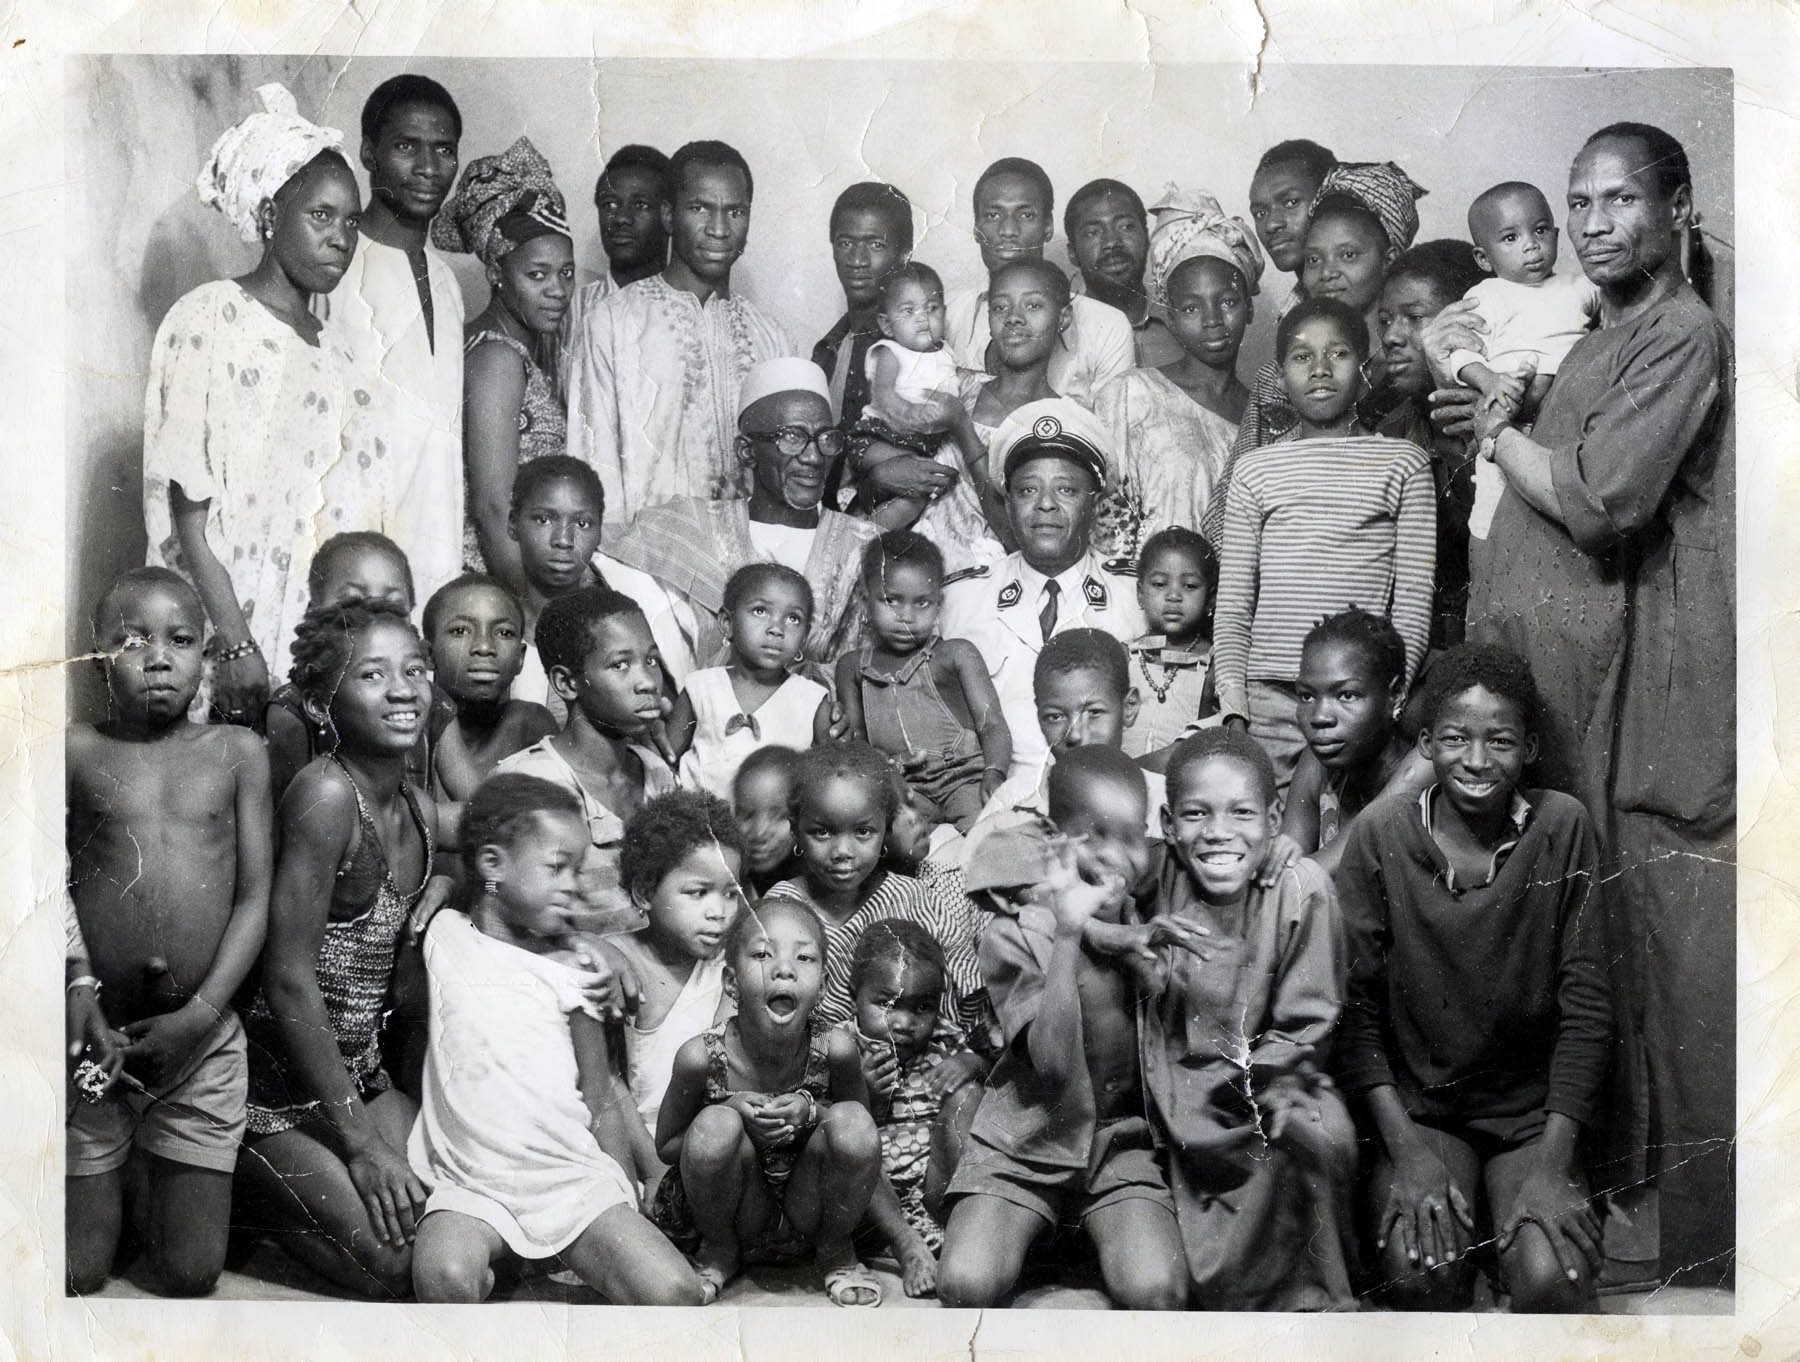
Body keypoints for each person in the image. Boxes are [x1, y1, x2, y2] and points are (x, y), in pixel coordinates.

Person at [1434, 123, 1733, 1281]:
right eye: (1582, 203)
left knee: (1649, 937)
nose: (1599, 223)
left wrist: (1501, 432)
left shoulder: (1683, 333)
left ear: (1676, 206)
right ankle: (1575, 1204)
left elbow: (1602, 503)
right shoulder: (1599, 330)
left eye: (1619, 201)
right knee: (1572, 931)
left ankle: (1691, 1242)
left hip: (1637, 686)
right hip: (1559, 680)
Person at [1333, 646, 1612, 1311]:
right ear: (1425, 741)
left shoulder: (1563, 827)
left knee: (1552, 1280)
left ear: (1531, 746)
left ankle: (1503, 1225)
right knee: (1417, 1274)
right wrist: (1407, 1153)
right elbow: (1354, 1010)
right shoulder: (1380, 833)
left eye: (1501, 741)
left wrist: (1551, 1167)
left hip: (1526, 1118)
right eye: (1455, 738)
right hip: (1425, 1113)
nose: (1478, 760)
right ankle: (1473, 1231)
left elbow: (1588, 1011)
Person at [406, 774, 704, 1305]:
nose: (572, 883)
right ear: (493, 865)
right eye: (556, 867)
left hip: (568, 1179)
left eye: (578, 866)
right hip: (473, 1186)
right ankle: (518, 1266)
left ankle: (551, 1260)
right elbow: (430, 838)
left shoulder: (577, 969)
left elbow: (602, 1097)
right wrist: (445, 883)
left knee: (675, 1294)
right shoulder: (446, 934)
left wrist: (623, 1191)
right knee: (444, 1277)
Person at [65, 569, 272, 1296]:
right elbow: (44, 886)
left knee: (189, 1275)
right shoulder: (76, 751)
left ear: (206, 652)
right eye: (132, 641)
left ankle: (157, 1171)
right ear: (96, 655)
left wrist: (200, 1016)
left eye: (180, 640)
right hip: (97, 1038)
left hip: (203, 1040)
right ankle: (123, 1171)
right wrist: (78, 988)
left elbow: (254, 900)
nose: (158, 657)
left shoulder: (238, 754)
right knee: (77, 1271)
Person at [935, 748, 1187, 1311]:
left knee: (1157, 1291)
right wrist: (1072, 933)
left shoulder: (1152, 900)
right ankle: (1036, 1228)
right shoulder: (1013, 934)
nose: (1122, 856)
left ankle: (1071, 1234)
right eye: (1097, 836)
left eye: (1133, 835)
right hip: (1027, 1142)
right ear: (1056, 840)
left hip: (1116, 1147)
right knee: (966, 1284)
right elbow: (1050, 1065)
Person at [143, 84, 361, 723]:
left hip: (307, 631)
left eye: (350, 222)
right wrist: (235, 644)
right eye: (321, 216)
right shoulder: (209, 316)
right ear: (269, 216)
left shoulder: (338, 354)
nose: (340, 239)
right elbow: (189, 511)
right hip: (222, 621)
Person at [236, 601, 435, 1297]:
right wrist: (363, 1148)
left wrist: (448, 885)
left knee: (449, 1227)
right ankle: (244, 1194)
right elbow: (288, 979)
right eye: (374, 675)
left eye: (415, 669)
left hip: (358, 1076)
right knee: (396, 1268)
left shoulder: (416, 805)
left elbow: (469, 852)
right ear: (323, 706)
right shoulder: (325, 796)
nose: (404, 688)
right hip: (271, 1094)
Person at [1139, 728, 1354, 1310]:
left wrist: (1251, 1083)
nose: (1218, 833)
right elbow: (1071, 819)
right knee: (1173, 1282)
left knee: (1318, 1126)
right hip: (1171, 1100)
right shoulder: (1157, 874)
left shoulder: (1298, 887)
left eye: (1241, 813)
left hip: (1260, 1090)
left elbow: (1308, 1024)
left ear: (1274, 816)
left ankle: (1313, 1288)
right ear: (1167, 823)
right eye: (1195, 814)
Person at [1212, 297, 1436, 789]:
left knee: (1349, 844)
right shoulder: (1256, 469)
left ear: (1363, 367)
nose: (1319, 369)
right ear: (1280, 372)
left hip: (1362, 701)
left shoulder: (1403, 462)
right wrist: (1235, 709)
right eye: (1301, 356)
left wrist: (1390, 703)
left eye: (1337, 354)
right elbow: (1232, 604)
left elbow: (1414, 604)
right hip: (1268, 700)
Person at [652, 898, 885, 1306]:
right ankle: (720, 1251)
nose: (784, 968)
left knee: (851, 1121)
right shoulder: (701, 1058)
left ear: (824, 984)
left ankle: (836, 1251)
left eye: (805, 957)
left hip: (811, 1213)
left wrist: (811, 1112)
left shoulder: (837, 1049)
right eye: (762, 954)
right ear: (730, 982)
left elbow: (864, 1135)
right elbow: (668, 1147)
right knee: (715, 1125)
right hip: (735, 1214)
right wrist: (729, 1112)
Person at [566, 139, 793, 524]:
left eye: (734, 211)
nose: (719, 229)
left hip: (753, 567)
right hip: (643, 568)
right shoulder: (613, 323)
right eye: (700, 208)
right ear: (669, 217)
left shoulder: (773, 339)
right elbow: (593, 466)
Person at [603, 358, 881, 668]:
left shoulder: (867, 545)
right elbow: (596, 545)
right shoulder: (694, 525)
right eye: (793, 437)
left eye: (826, 439)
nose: (814, 457)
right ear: (747, 451)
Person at [1207, 159, 1425, 546]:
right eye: (1313, 259)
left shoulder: (1411, 368)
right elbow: (1227, 508)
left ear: (1389, 259)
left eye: (1349, 255)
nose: (1327, 272)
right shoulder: (1278, 377)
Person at [940, 399, 1147, 779]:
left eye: (1066, 490)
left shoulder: (1137, 597)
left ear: (1094, 501)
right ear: (1008, 501)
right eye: (1027, 491)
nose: (1045, 505)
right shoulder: (960, 600)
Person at [328, 74, 467, 604]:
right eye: (407, 147)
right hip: (355, 559)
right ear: (369, 152)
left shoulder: (448, 282)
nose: (429, 168)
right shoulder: (336, 265)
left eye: (444, 150)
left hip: (437, 550)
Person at [761, 743, 987, 1035]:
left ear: (886, 829)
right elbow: (764, 1011)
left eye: (863, 832)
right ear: (795, 830)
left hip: (928, 1065)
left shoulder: (913, 898)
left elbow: (968, 988)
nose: (842, 851)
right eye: (822, 832)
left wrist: (969, 1056)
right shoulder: (780, 908)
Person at [1092, 187, 1262, 563]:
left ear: (1250, 308)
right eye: (1190, 308)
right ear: (1168, 317)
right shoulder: (1129, 395)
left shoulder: (1267, 416)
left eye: (1229, 301)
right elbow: (1106, 529)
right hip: (1139, 607)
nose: (1213, 320)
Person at [435, 137, 577, 584]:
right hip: (495, 585)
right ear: (496, 272)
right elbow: (493, 508)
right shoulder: (497, 357)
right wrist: (534, 614)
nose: (557, 290)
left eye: (566, 272)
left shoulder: (487, 342)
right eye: (537, 274)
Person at [496, 587, 676, 936]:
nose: (647, 682)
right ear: (566, 682)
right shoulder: (529, 782)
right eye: (620, 665)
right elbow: (493, 901)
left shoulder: (656, 772)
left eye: (651, 661)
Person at [1447, 181, 1601, 543]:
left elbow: (1623, 299)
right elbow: (1462, 354)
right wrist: (1490, 381)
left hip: (1566, 408)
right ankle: (1486, 545)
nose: (1531, 245)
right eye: (1510, 238)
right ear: (1484, 258)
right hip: (1510, 408)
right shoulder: (1487, 296)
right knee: (1494, 494)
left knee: (1557, 491)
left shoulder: (1577, 286)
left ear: (1557, 234)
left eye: (1541, 230)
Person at [840, 919, 984, 1297]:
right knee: (845, 1127)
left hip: (934, 1189)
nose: (905, 1023)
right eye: (887, 1004)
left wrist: (971, 1064)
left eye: (922, 1007)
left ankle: (962, 1226)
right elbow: (829, 1135)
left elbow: (989, 1068)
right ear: (854, 992)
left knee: (967, 1098)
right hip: (871, 1205)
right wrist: (863, 1092)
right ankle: (907, 1245)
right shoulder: (840, 1047)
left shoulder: (943, 1039)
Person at [835, 532, 1012, 834]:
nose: (907, 616)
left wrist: (995, 771)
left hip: (965, 780)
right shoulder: (852, 668)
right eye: (892, 600)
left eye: (923, 603)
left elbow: (992, 723)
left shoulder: (955, 654)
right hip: (904, 788)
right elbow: (857, 745)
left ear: (939, 603)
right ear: (866, 600)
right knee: (892, 841)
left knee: (988, 842)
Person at [1367, 241, 1488, 648]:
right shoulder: (1390, 430)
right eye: (1385, 321)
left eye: (1415, 318)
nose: (1392, 337)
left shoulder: (1526, 413)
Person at [502, 456, 692, 713]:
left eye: (582, 524)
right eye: (544, 519)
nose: (564, 540)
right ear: (513, 524)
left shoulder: (622, 631)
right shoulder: (492, 628)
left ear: (600, 532)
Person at [609, 790, 747, 1136]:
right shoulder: (622, 965)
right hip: (650, 1146)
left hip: (721, 1140)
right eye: (698, 893)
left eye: (731, 893)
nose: (719, 912)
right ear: (645, 892)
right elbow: (611, 1089)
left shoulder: (731, 963)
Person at [944, 158, 1136, 406]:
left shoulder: (1107, 325)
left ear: (1047, 227)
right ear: (976, 228)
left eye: (1026, 215)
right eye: (993, 215)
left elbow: (1113, 434)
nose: (1008, 229)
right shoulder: (949, 313)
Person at [850, 263, 998, 561]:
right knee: (910, 473)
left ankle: (868, 541)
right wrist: (916, 414)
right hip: (879, 438)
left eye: (931, 309)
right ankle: (855, 545)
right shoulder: (890, 353)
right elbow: (885, 397)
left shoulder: (946, 354)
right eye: (908, 311)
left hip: (922, 445)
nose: (922, 319)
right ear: (888, 325)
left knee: (916, 497)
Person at [263, 531, 422, 806]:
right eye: (351, 604)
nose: (373, 618)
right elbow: (290, 816)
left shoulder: (422, 696)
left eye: (393, 608)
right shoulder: (291, 710)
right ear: (313, 611)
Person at [1283, 608, 1430, 875]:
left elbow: (1302, 877)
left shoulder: (1422, 764)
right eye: (1306, 696)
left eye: (1346, 695)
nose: (1319, 717)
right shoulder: (1317, 761)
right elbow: (1286, 865)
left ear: (1395, 694)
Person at [668, 563, 829, 798]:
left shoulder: (812, 700)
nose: (777, 629)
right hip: (699, 828)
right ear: (727, 623)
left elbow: (832, 777)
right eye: (760, 611)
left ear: (804, 637)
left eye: (793, 618)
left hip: (775, 832)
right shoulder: (701, 689)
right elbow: (664, 762)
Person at [421, 573, 559, 802]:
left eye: (504, 633)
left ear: (520, 659)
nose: (484, 647)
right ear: (428, 654)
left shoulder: (530, 725)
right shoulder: (409, 729)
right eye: (461, 631)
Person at [561, 144, 672, 374]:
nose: (621, 217)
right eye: (609, 204)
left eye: (640, 205)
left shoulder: (686, 312)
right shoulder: (568, 311)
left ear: (669, 216)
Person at [813, 181, 915, 429]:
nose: (857, 260)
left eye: (876, 245)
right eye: (845, 243)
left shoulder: (911, 351)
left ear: (905, 254)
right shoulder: (827, 349)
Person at [1064, 178, 1179, 368]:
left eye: (1126, 226)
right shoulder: (1058, 335)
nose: (1111, 242)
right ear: (1072, 253)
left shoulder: (1184, 326)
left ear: (1147, 237)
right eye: (1093, 232)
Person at [1125, 527, 1219, 759]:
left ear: (1210, 598)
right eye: (1159, 584)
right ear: (1140, 593)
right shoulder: (1124, 656)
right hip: (1121, 783)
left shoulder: (1213, 664)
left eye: (1189, 586)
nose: (1173, 596)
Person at [1245, 138, 1337, 316]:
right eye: (1260, 213)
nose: (1271, 224)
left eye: (1291, 203)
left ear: (1329, 198)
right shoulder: (1293, 313)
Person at [732, 745, 805, 897]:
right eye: (746, 815)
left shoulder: (815, 883)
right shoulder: (733, 870)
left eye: (779, 816)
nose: (759, 832)